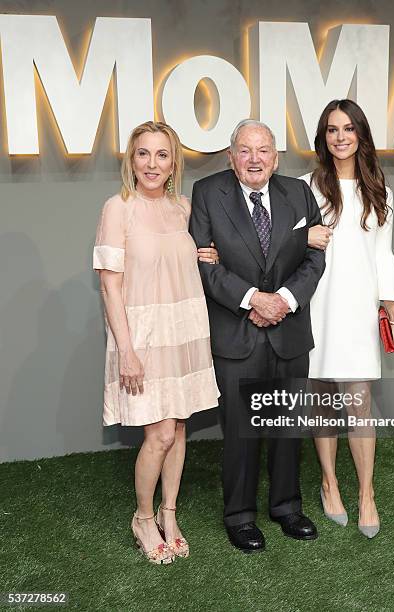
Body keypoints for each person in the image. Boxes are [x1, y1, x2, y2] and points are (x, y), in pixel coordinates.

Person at [189, 119, 326, 553]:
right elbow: (205, 264)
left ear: (276, 157)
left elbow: (315, 257)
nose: (254, 159)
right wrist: (253, 300)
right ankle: (240, 516)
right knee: (242, 431)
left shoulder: (299, 194)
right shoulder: (208, 192)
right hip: (237, 332)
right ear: (231, 156)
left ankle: (287, 507)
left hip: (289, 331)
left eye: (263, 150)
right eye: (245, 150)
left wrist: (283, 299)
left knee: (288, 426)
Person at [93, 121, 220, 564]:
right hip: (142, 339)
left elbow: (194, 262)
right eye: (143, 154)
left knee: (179, 426)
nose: (152, 164)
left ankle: (170, 512)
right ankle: (143, 518)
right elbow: (111, 287)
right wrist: (126, 350)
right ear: (132, 160)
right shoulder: (118, 209)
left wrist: (213, 255)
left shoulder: (184, 208)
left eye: (161, 155)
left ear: (173, 163)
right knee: (160, 433)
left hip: (184, 332)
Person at [300, 99, 394, 538]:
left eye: (347, 129)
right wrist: (304, 234)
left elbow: (383, 252)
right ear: (322, 137)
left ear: (360, 133)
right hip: (317, 303)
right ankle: (329, 482)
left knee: (359, 403)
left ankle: (366, 494)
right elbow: (288, 248)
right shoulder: (305, 186)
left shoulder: (380, 188)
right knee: (322, 396)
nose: (340, 137)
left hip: (359, 306)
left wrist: (391, 303)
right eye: (331, 130)